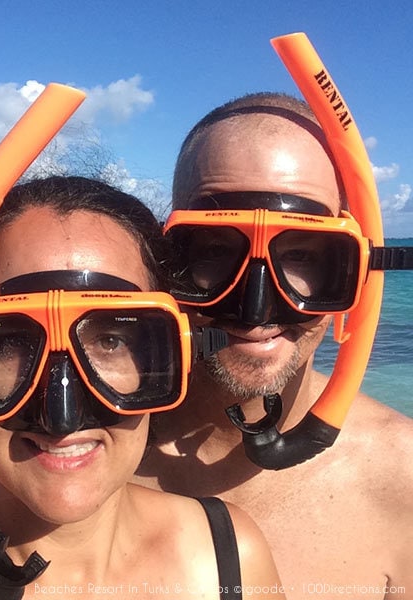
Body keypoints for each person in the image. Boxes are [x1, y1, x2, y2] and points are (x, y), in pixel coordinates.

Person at [0, 175, 285, 600]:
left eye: (111, 340)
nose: (62, 416)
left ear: (172, 356)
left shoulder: (229, 557)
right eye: (10, 343)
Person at [136, 94, 413, 599]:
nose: (257, 307)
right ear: (166, 261)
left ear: (353, 269)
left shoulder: (404, 476)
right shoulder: (88, 459)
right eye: (215, 248)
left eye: (303, 253)